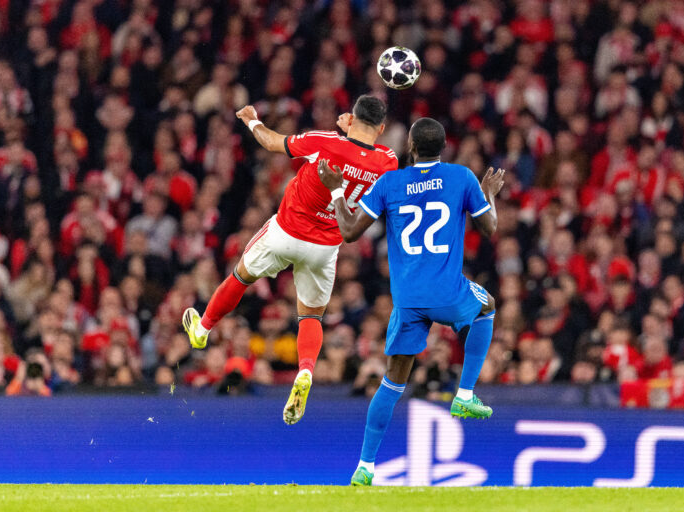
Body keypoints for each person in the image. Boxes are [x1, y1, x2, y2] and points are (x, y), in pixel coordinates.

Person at [182, 95, 397, 425]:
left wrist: (252, 120)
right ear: (381, 128)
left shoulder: (323, 142)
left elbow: (271, 143)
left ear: (352, 118)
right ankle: (306, 371)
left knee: (241, 276)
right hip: (326, 246)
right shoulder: (388, 161)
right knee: (310, 315)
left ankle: (203, 328)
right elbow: (360, 154)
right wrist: (348, 132)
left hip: (287, 232)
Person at [317, 117, 504, 486]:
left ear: (411, 149)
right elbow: (491, 228)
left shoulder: (389, 182)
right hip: (447, 294)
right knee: (487, 305)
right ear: (444, 147)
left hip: (407, 300)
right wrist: (489, 195)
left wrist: (337, 191)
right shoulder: (461, 177)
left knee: (393, 381)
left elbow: (350, 232)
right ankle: (464, 394)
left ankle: (365, 467)